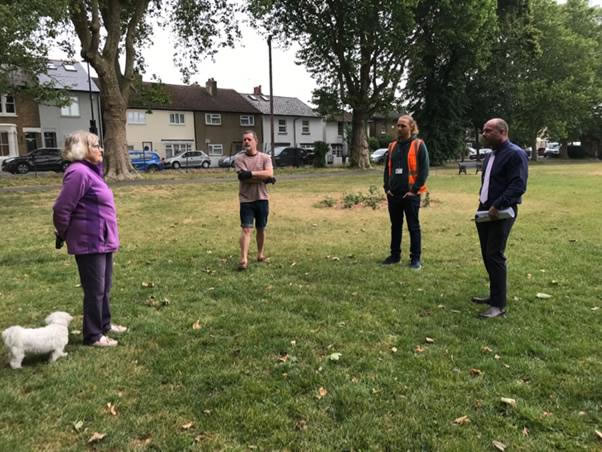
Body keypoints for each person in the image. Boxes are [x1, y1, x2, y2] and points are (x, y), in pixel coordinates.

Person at [53, 131, 127, 347]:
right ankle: (93, 335)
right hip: (90, 241)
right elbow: (61, 209)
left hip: (102, 238)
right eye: (95, 145)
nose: (100, 149)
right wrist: (64, 233)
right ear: (82, 150)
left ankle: (104, 324)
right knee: (94, 289)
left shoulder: (91, 171)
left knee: (104, 286)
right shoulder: (78, 173)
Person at [472, 118, 528, 318]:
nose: (484, 134)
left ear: (502, 132)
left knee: (495, 255)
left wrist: (498, 204)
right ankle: (494, 295)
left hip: (501, 212)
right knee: (487, 254)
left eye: (488, 131)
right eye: (483, 130)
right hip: (485, 210)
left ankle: (498, 305)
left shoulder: (515, 154)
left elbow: (518, 185)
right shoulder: (491, 155)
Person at [382, 115, 429, 270]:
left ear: (411, 127)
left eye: (403, 126)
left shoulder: (418, 145)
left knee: (413, 226)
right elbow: (387, 169)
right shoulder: (392, 146)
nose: (399, 128)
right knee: (395, 225)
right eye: (398, 125)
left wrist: (414, 190)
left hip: (410, 195)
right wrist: (386, 188)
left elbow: (424, 171)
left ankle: (415, 259)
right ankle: (394, 255)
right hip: (393, 195)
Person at [234, 131, 275, 270]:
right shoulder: (239, 159)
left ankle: (260, 254)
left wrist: (251, 173)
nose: (246, 141)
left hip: (262, 198)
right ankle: (244, 259)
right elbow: (243, 177)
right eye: (244, 139)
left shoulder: (265, 157)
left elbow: (269, 173)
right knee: (246, 229)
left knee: (261, 228)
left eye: (249, 139)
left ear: (255, 141)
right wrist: (263, 177)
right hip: (246, 200)